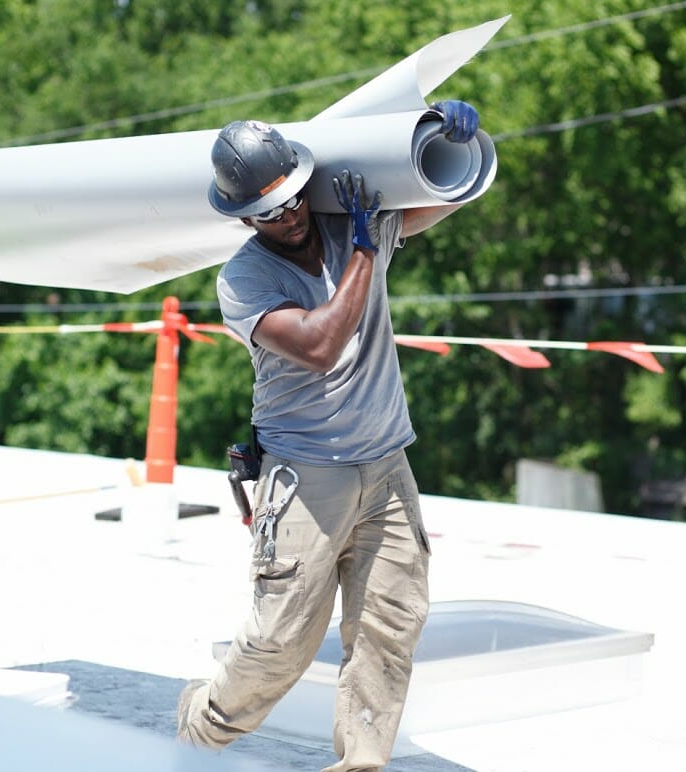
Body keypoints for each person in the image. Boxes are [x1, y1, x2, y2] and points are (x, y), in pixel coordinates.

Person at [177, 100, 480, 770]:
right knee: (279, 645)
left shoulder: (347, 220)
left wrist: (453, 134)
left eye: (289, 201)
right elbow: (318, 344)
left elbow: (451, 187)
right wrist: (368, 248)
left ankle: (362, 762)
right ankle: (198, 733)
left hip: (386, 467)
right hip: (307, 480)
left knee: (389, 627)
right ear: (242, 217)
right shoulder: (246, 279)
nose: (285, 216)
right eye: (266, 211)